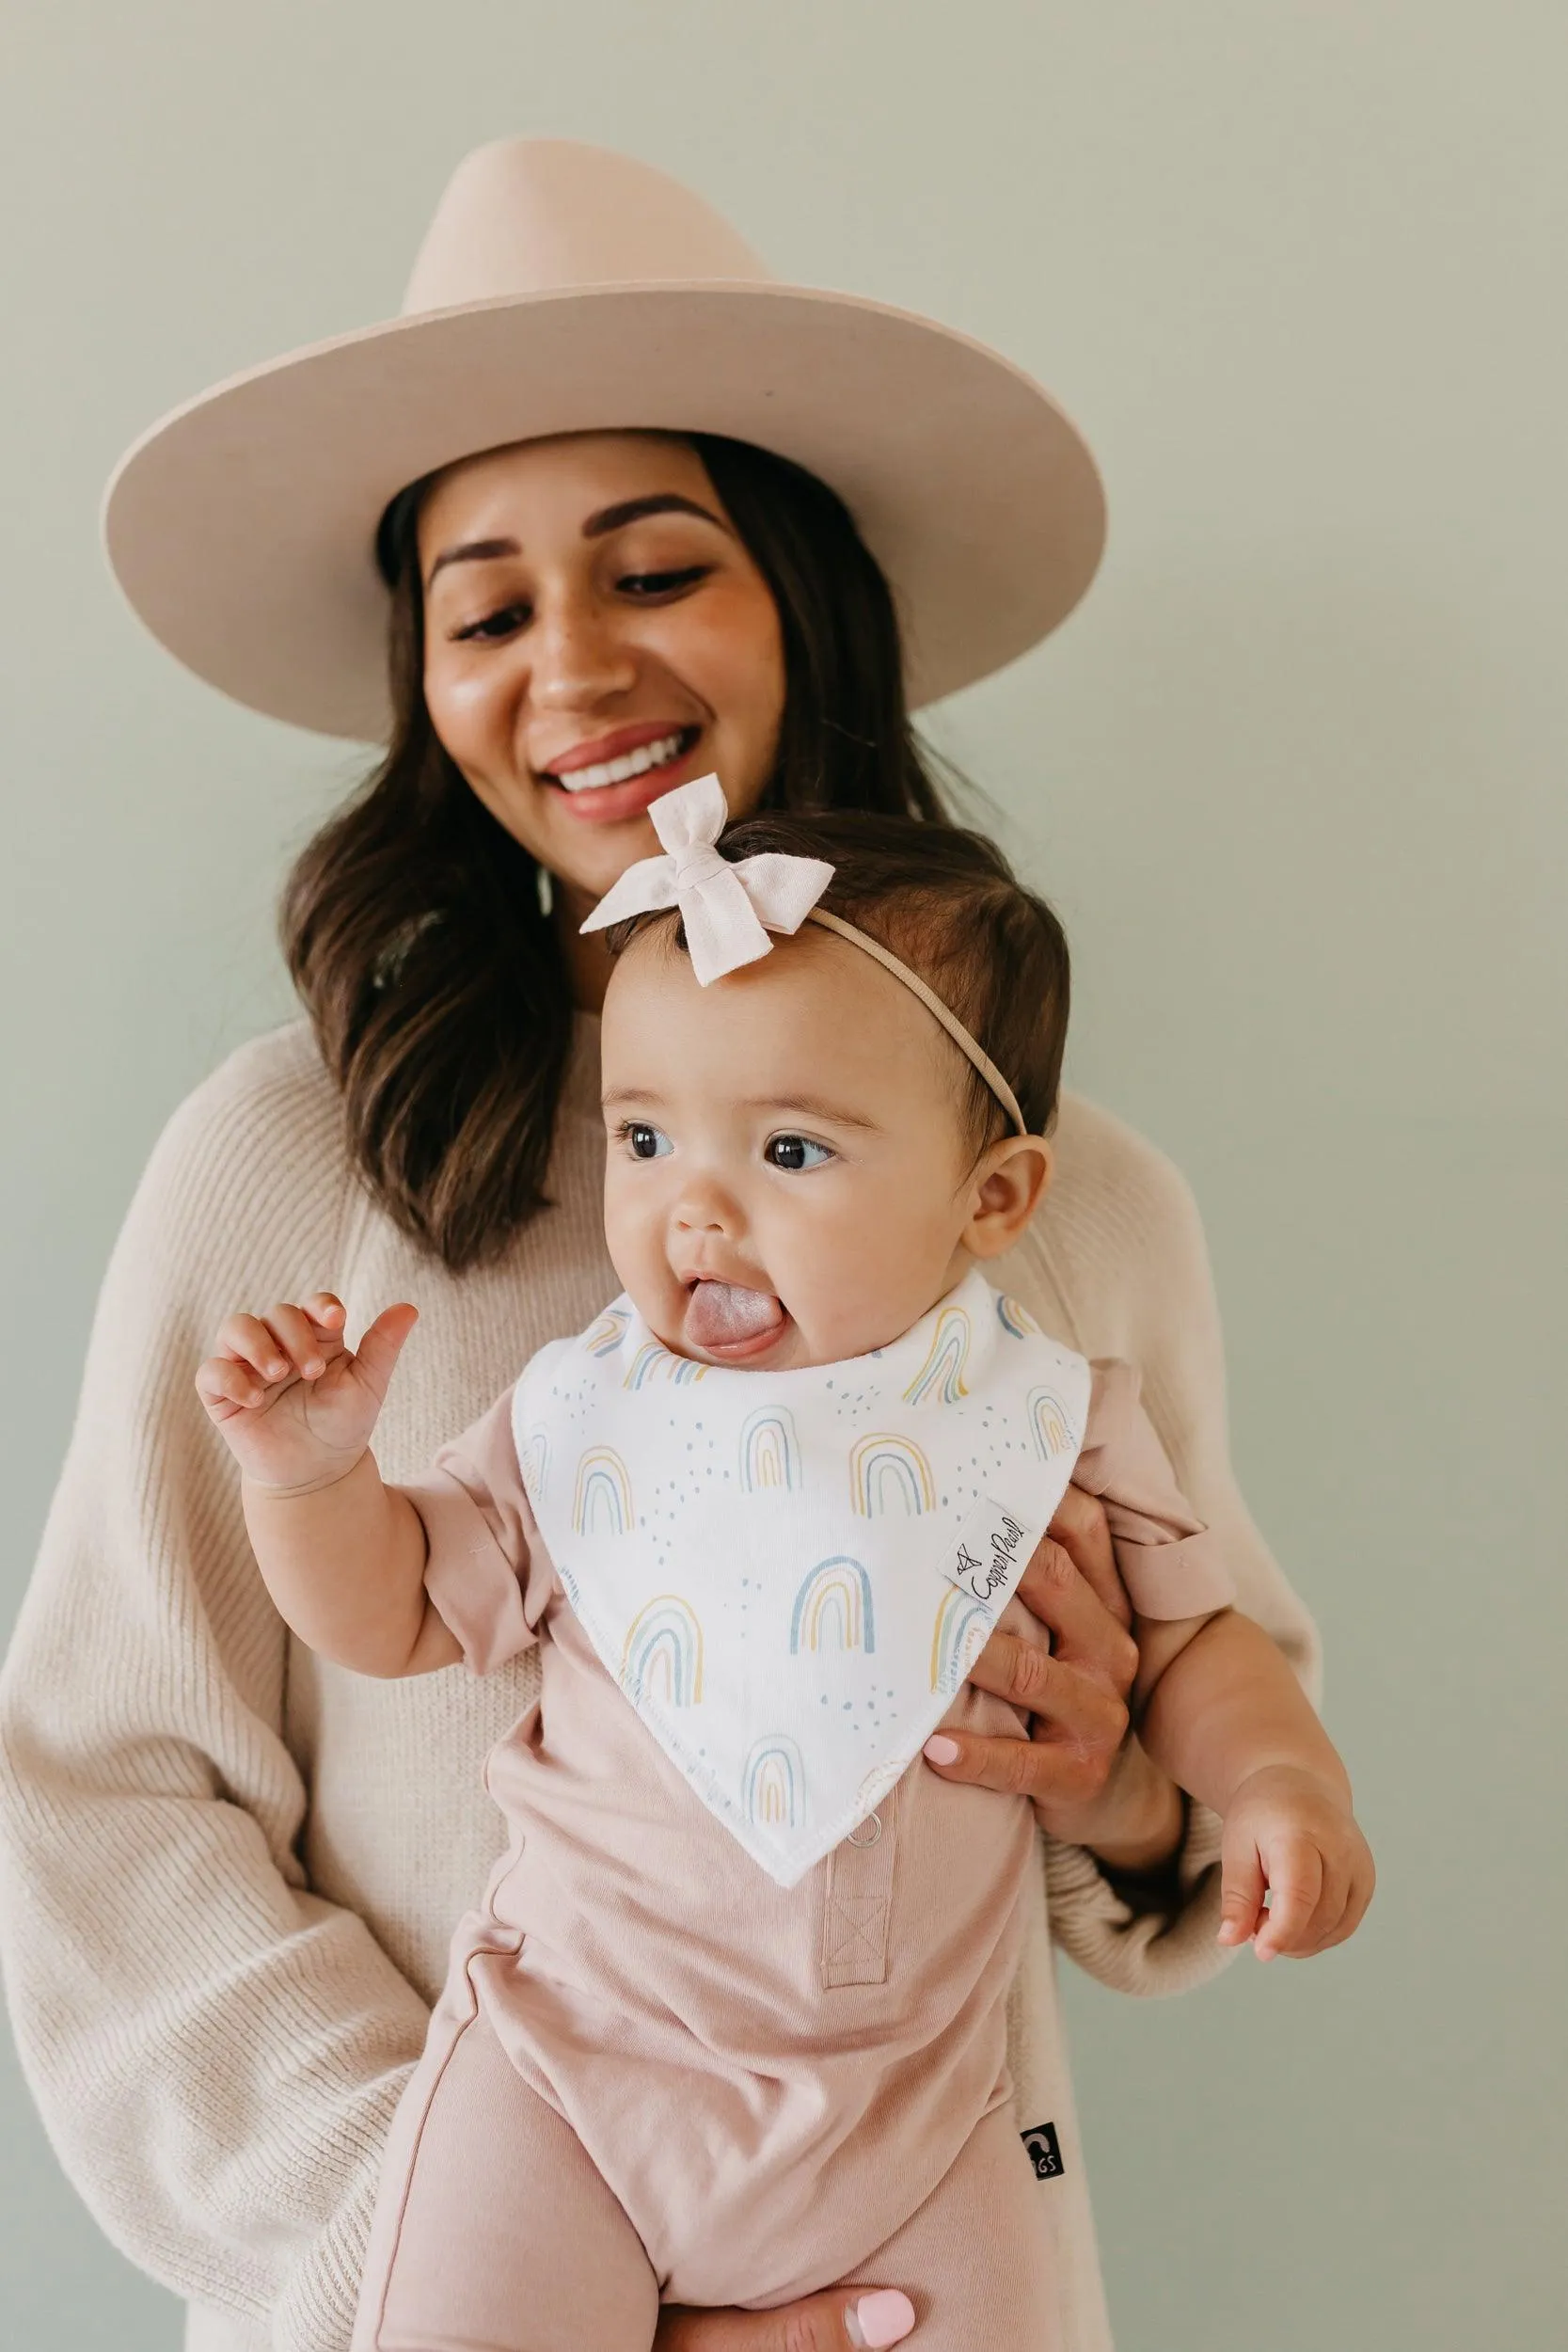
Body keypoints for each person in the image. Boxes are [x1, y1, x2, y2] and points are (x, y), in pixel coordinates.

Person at [0, 139, 1342, 2352]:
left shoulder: (1069, 1198)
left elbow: (1196, 1800)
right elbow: (105, 1795)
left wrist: (1119, 1765)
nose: (576, 668)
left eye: (655, 570)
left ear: (800, 600)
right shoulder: (292, 1156)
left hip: (925, 2250)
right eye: (488, 609)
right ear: (421, 686)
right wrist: (476, 2244)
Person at [195, 792, 1372, 2350]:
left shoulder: (1045, 1422)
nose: (694, 1206)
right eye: (644, 1136)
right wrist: (314, 1476)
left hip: (921, 2115)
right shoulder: (584, 1421)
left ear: (993, 1198)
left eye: (792, 1147)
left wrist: (1283, 1782)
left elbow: (1193, 1641)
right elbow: (395, 1607)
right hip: (570, 2080)